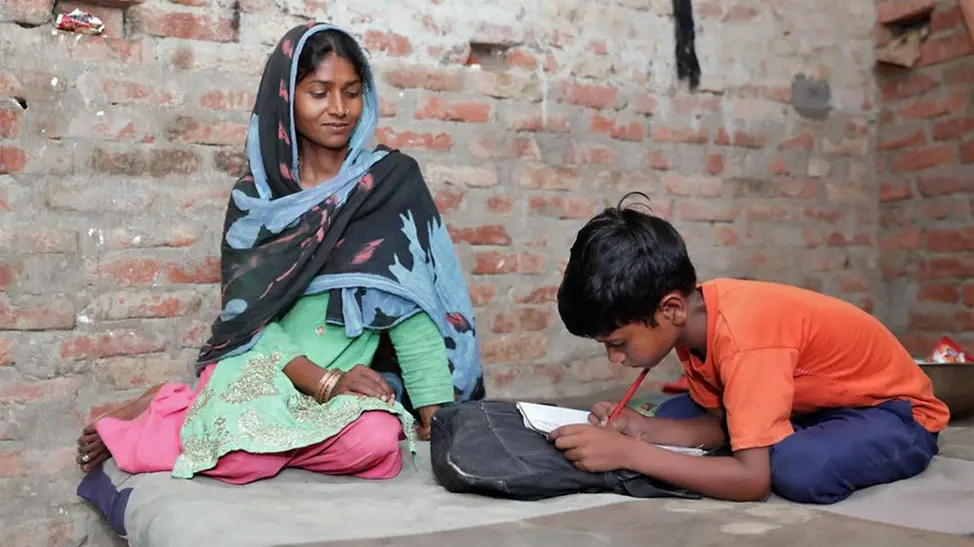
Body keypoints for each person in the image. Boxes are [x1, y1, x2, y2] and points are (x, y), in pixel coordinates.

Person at [75, 23, 484, 484]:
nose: (338, 109)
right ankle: (173, 403)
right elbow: (250, 323)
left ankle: (207, 419)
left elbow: (412, 313)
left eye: (351, 93)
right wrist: (323, 382)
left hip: (348, 383)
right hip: (266, 369)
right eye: (319, 92)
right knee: (243, 460)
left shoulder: (388, 183)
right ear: (287, 99)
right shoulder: (258, 202)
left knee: (377, 442)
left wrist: (435, 416)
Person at [548, 192, 950, 504]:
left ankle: (788, 438)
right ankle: (769, 432)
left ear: (670, 308)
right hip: (809, 404)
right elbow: (718, 420)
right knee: (671, 415)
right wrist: (643, 429)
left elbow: (751, 483)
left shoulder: (744, 337)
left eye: (618, 343)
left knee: (796, 468)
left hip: (895, 414)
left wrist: (628, 454)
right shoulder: (692, 323)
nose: (616, 358)